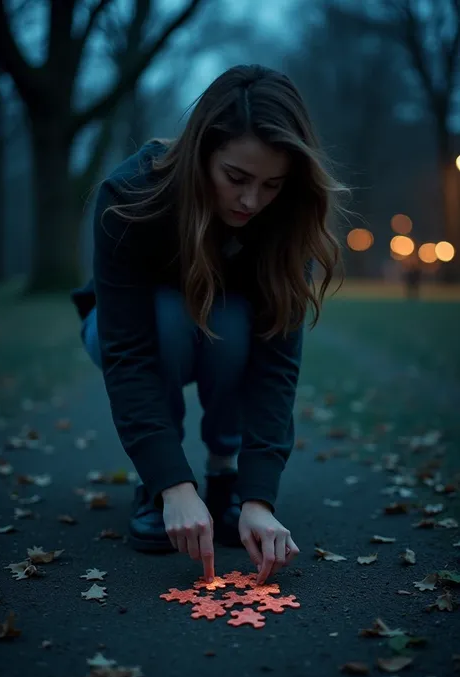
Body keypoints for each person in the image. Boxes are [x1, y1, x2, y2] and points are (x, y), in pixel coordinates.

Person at [71, 64, 345, 586]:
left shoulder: (287, 220)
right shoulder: (129, 196)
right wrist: (170, 483)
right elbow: (126, 352)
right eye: (236, 178)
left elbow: (276, 365)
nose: (250, 201)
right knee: (172, 313)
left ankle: (224, 477)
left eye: (271, 185)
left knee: (232, 316)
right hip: (126, 330)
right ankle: (160, 485)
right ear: (201, 153)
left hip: (228, 336)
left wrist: (258, 494)